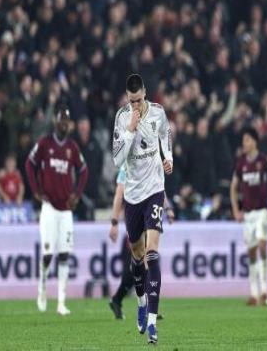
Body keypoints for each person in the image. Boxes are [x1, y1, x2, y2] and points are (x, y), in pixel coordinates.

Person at [112, 73, 173, 344]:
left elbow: (166, 134)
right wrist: (130, 129)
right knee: (136, 256)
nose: (135, 105)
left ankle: (152, 322)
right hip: (133, 195)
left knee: (152, 253)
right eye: (131, 101)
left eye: (138, 100)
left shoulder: (158, 112)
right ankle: (140, 301)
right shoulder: (122, 118)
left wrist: (168, 157)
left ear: (145, 93)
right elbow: (117, 160)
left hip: (155, 191)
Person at [25, 105, 88, 315]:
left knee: (64, 255)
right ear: (55, 121)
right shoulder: (45, 143)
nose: (64, 124)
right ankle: (42, 288)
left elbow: (83, 170)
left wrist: (77, 194)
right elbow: (29, 164)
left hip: (66, 209)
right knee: (47, 254)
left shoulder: (72, 147)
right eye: (61, 120)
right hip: (49, 207)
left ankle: (61, 302)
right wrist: (35, 190)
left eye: (67, 121)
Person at [108, 166, 175, 320]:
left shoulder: (150, 160)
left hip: (148, 218)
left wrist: (167, 208)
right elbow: (119, 193)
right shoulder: (127, 165)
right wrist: (114, 222)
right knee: (138, 266)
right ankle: (122, 300)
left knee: (145, 263)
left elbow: (158, 187)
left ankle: (122, 301)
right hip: (136, 222)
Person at [230, 127, 267, 306]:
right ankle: (253, 293)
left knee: (262, 246)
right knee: (251, 252)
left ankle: (265, 291)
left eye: (246, 140)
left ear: (254, 142)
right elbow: (233, 187)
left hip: (262, 212)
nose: (244, 143)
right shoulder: (241, 164)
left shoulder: (264, 161)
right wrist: (236, 210)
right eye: (243, 140)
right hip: (248, 214)